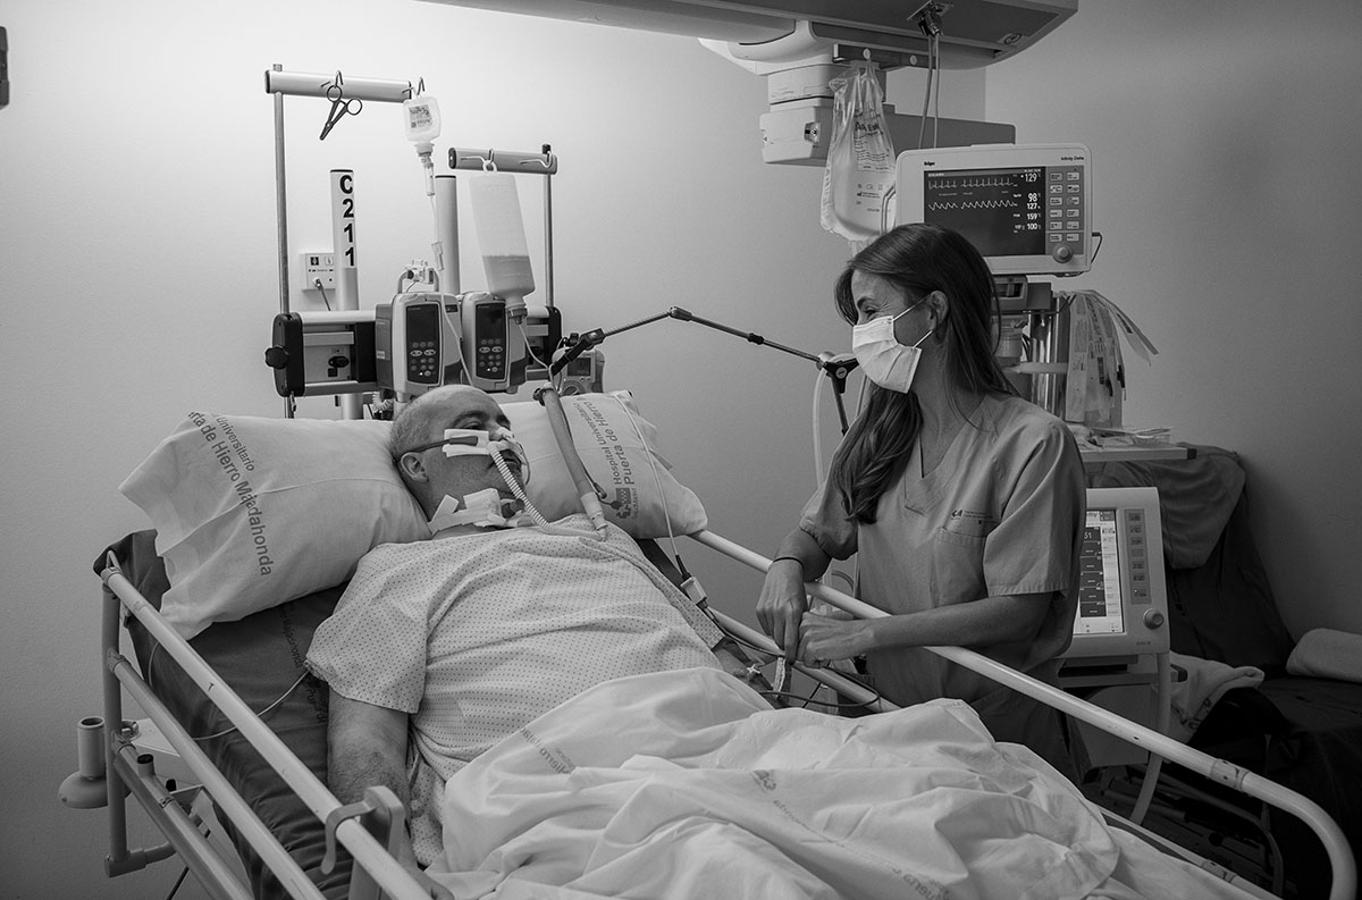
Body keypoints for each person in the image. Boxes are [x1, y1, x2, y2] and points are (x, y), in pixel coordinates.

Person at [306, 384, 754, 867]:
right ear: (416, 465)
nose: (501, 438)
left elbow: (722, 656)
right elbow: (366, 739)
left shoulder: (600, 536)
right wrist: (389, 870)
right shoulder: (396, 571)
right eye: (476, 427)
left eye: (505, 426)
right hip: (562, 788)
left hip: (724, 750)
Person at [756, 223, 1086, 778]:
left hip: (991, 740)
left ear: (932, 312)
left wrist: (866, 633)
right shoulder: (883, 430)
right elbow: (818, 534)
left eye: (869, 311)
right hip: (887, 723)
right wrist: (786, 565)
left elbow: (1020, 610)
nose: (860, 333)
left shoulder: (1033, 443)